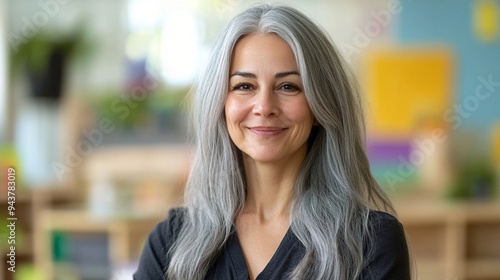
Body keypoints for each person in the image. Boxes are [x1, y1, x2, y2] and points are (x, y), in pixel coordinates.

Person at [134, 4, 410, 280]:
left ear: (320, 105)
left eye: (288, 86)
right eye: (244, 86)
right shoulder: (171, 242)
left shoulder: (370, 243)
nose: (264, 107)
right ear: (220, 104)